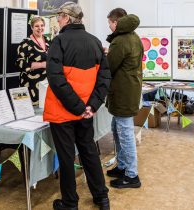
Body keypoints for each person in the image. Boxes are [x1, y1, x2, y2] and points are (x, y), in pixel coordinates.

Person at [43, 2, 111, 210]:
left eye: (59, 17)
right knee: (89, 152)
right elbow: (104, 77)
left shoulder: (59, 41)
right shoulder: (94, 41)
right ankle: (102, 197)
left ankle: (70, 203)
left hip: (63, 112)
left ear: (66, 17)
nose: (57, 20)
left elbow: (56, 79)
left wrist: (78, 106)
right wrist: (91, 106)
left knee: (66, 157)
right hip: (86, 112)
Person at [105, 8, 143, 189]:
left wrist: (105, 56)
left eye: (110, 24)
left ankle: (131, 175)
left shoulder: (120, 41)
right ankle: (122, 166)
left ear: (116, 22)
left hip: (123, 92)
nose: (110, 27)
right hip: (129, 89)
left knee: (125, 133)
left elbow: (109, 66)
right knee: (117, 128)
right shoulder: (134, 36)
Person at [16, 16, 51, 106]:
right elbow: (19, 62)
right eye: (37, 26)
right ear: (31, 27)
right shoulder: (25, 43)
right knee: (31, 110)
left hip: (46, 82)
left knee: (45, 108)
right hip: (30, 83)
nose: (40, 28)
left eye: (42, 25)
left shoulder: (48, 41)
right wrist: (42, 64)